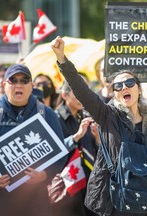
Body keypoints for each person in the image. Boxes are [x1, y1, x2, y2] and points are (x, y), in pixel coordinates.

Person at [51, 36, 147, 216]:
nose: (124, 87)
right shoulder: (107, 115)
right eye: (118, 86)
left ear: (139, 89)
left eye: (130, 83)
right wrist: (62, 58)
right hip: (116, 201)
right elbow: (81, 90)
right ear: (115, 94)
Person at [0, 64, 66, 216]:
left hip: (37, 200)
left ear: (31, 86)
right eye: (13, 80)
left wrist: (45, 174)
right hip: (1, 201)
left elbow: (61, 155)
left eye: (24, 80)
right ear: (5, 85)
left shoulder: (47, 114)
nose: (19, 85)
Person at [52, 81, 99, 216]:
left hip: (89, 177)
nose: (82, 98)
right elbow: (54, 150)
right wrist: (77, 136)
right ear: (65, 95)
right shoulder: (55, 117)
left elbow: (96, 149)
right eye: (77, 94)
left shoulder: (87, 115)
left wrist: (97, 139)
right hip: (67, 177)